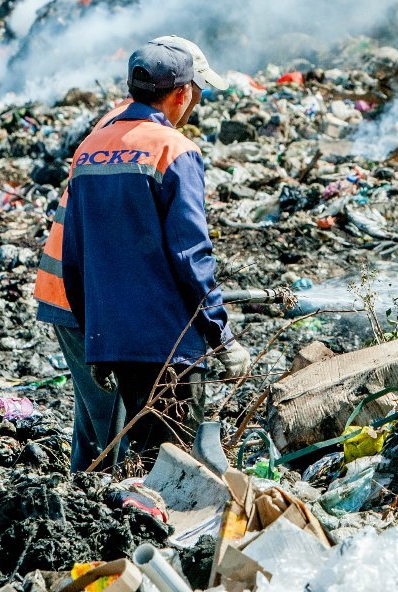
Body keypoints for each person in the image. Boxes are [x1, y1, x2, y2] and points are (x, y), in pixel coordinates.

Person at [38, 36, 250, 467]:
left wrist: (97, 340)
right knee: (170, 464)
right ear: (182, 93)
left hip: (109, 333)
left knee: (115, 447)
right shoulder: (174, 149)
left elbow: (75, 259)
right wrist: (221, 337)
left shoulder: (89, 150)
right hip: (168, 344)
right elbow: (191, 254)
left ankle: (102, 516)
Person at [35, 97, 130, 472]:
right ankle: (97, 501)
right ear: (180, 91)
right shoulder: (134, 136)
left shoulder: (116, 124)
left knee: (95, 415)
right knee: (109, 420)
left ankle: (82, 487)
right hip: (81, 293)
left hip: (73, 287)